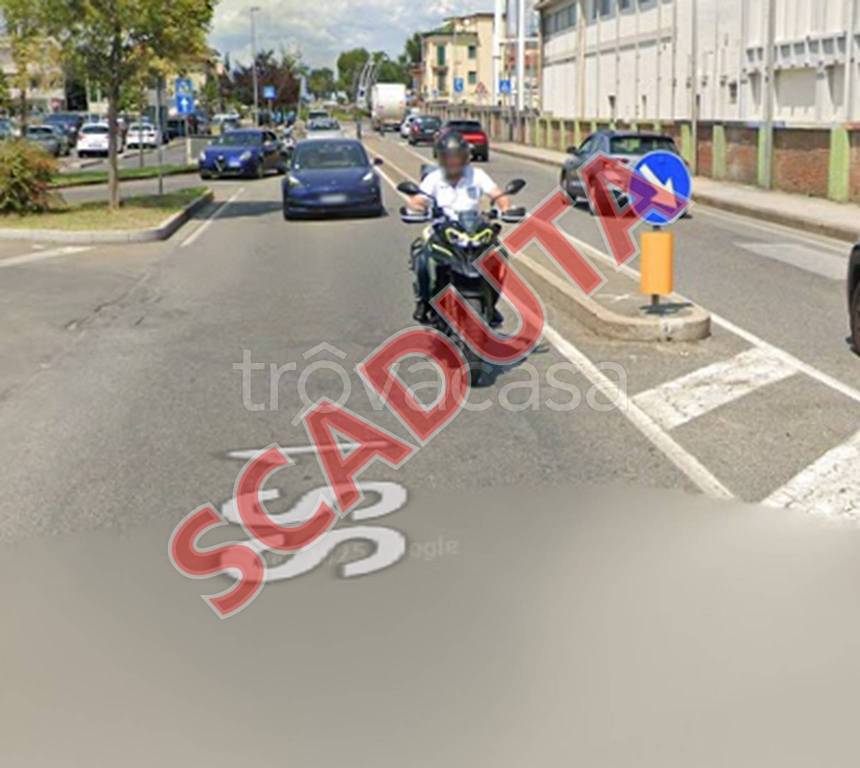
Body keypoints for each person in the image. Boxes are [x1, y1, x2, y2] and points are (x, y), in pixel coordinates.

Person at [407, 132, 512, 324]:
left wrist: (505, 208)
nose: (453, 162)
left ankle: (491, 302)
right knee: (423, 258)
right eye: (448, 157)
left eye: (457, 157)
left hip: (473, 230)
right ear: (440, 158)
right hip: (442, 229)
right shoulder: (433, 178)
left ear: (465, 157)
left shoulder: (477, 175)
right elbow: (419, 199)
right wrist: (418, 207)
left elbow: (497, 195)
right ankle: (424, 301)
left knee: (499, 256)